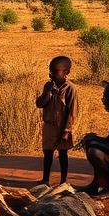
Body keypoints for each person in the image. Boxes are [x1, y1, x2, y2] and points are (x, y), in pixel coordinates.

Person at [36, 55, 79, 185]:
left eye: (55, 71)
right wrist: (47, 93)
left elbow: (73, 111)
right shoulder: (48, 86)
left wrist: (67, 130)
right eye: (50, 71)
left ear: (66, 72)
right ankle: (45, 179)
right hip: (49, 125)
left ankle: (63, 181)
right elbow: (39, 104)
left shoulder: (70, 88)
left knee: (63, 154)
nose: (51, 74)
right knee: (47, 153)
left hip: (63, 127)